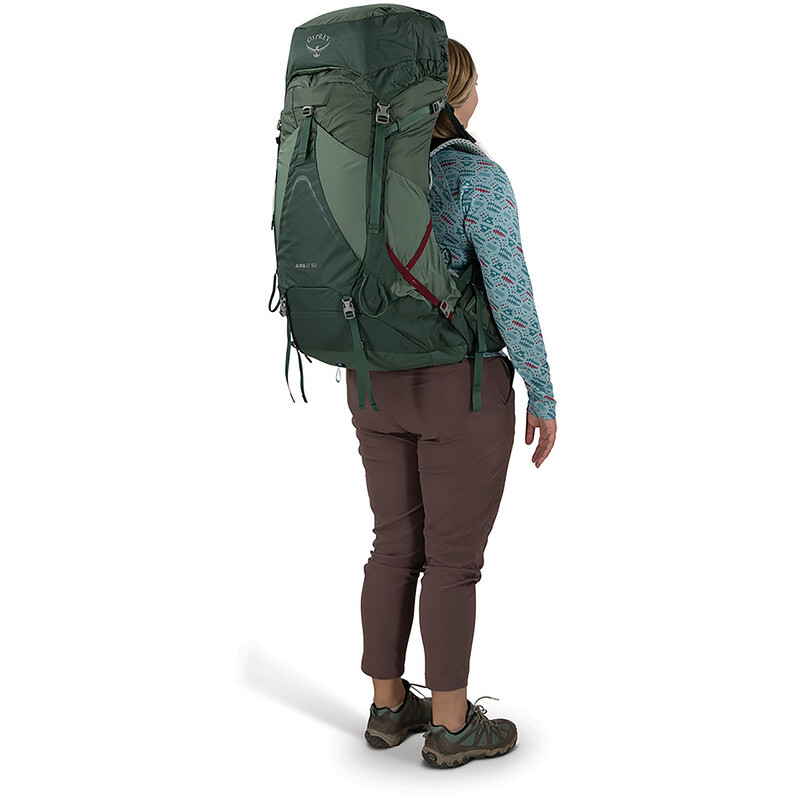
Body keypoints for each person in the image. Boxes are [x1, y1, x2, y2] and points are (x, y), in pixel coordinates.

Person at [347, 39, 557, 768]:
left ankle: (386, 709)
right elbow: (510, 292)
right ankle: (450, 725)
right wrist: (541, 389)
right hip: (457, 391)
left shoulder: (362, 172)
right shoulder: (475, 177)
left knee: (392, 546)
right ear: (459, 98)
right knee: (452, 561)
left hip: (372, 384)